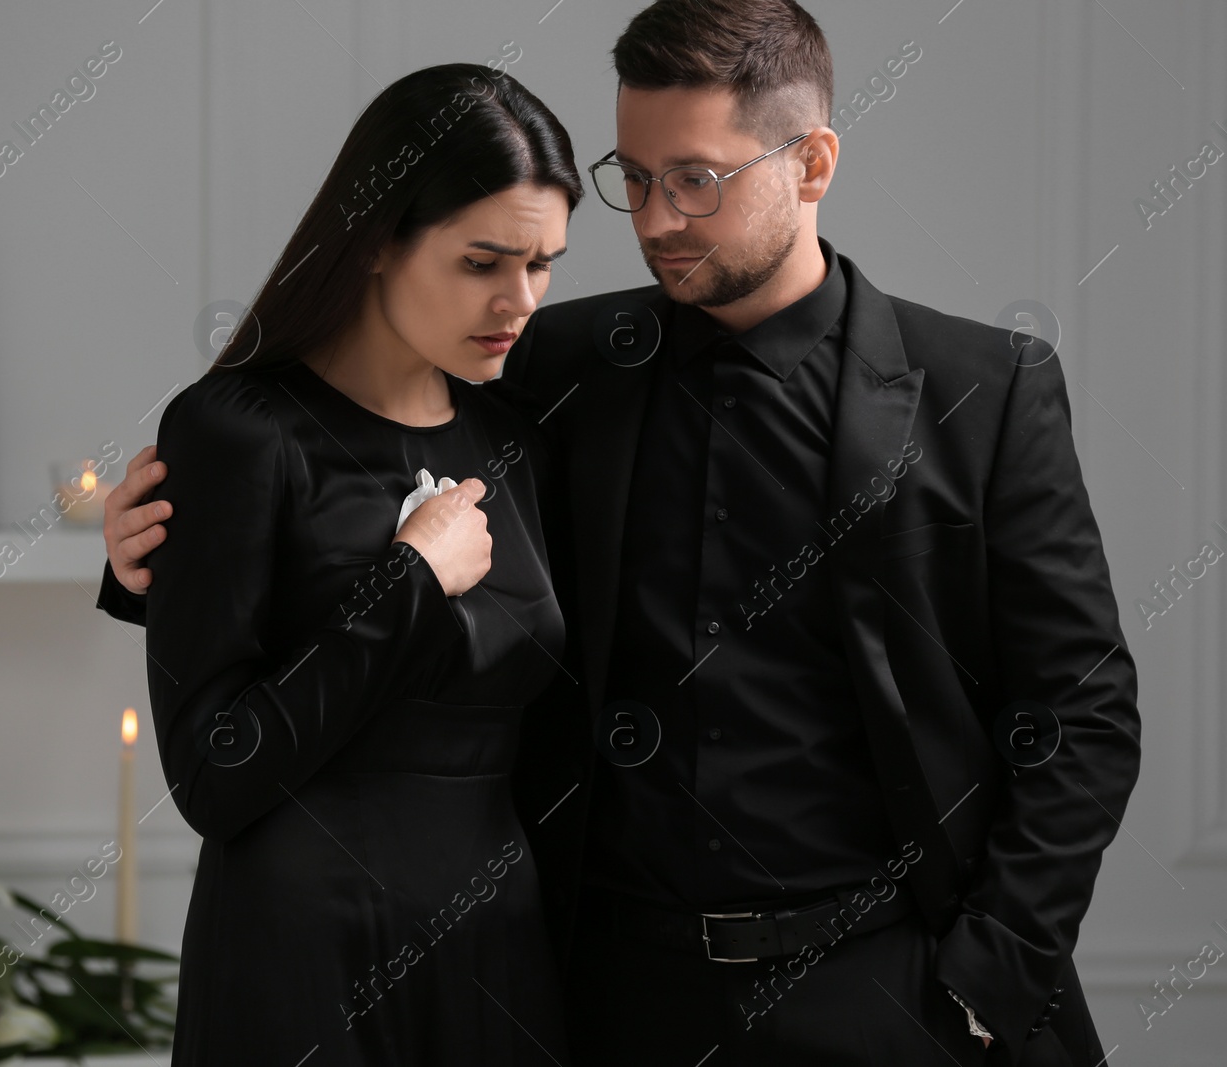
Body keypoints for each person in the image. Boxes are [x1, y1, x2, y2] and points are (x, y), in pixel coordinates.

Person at [100, 3, 1142, 1065]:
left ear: (813, 161)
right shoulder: (548, 363)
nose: (654, 220)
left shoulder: (983, 390)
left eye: (695, 178)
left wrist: (987, 974)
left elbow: (1082, 709)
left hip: (889, 989)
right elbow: (348, 465)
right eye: (632, 178)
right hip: (607, 999)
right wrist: (165, 551)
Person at [100, 62, 582, 1064]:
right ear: (374, 239)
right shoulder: (238, 432)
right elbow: (212, 776)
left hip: (500, 953)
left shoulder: (516, 440)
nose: (520, 300)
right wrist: (405, 581)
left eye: (543, 265)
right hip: (302, 962)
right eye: (483, 260)